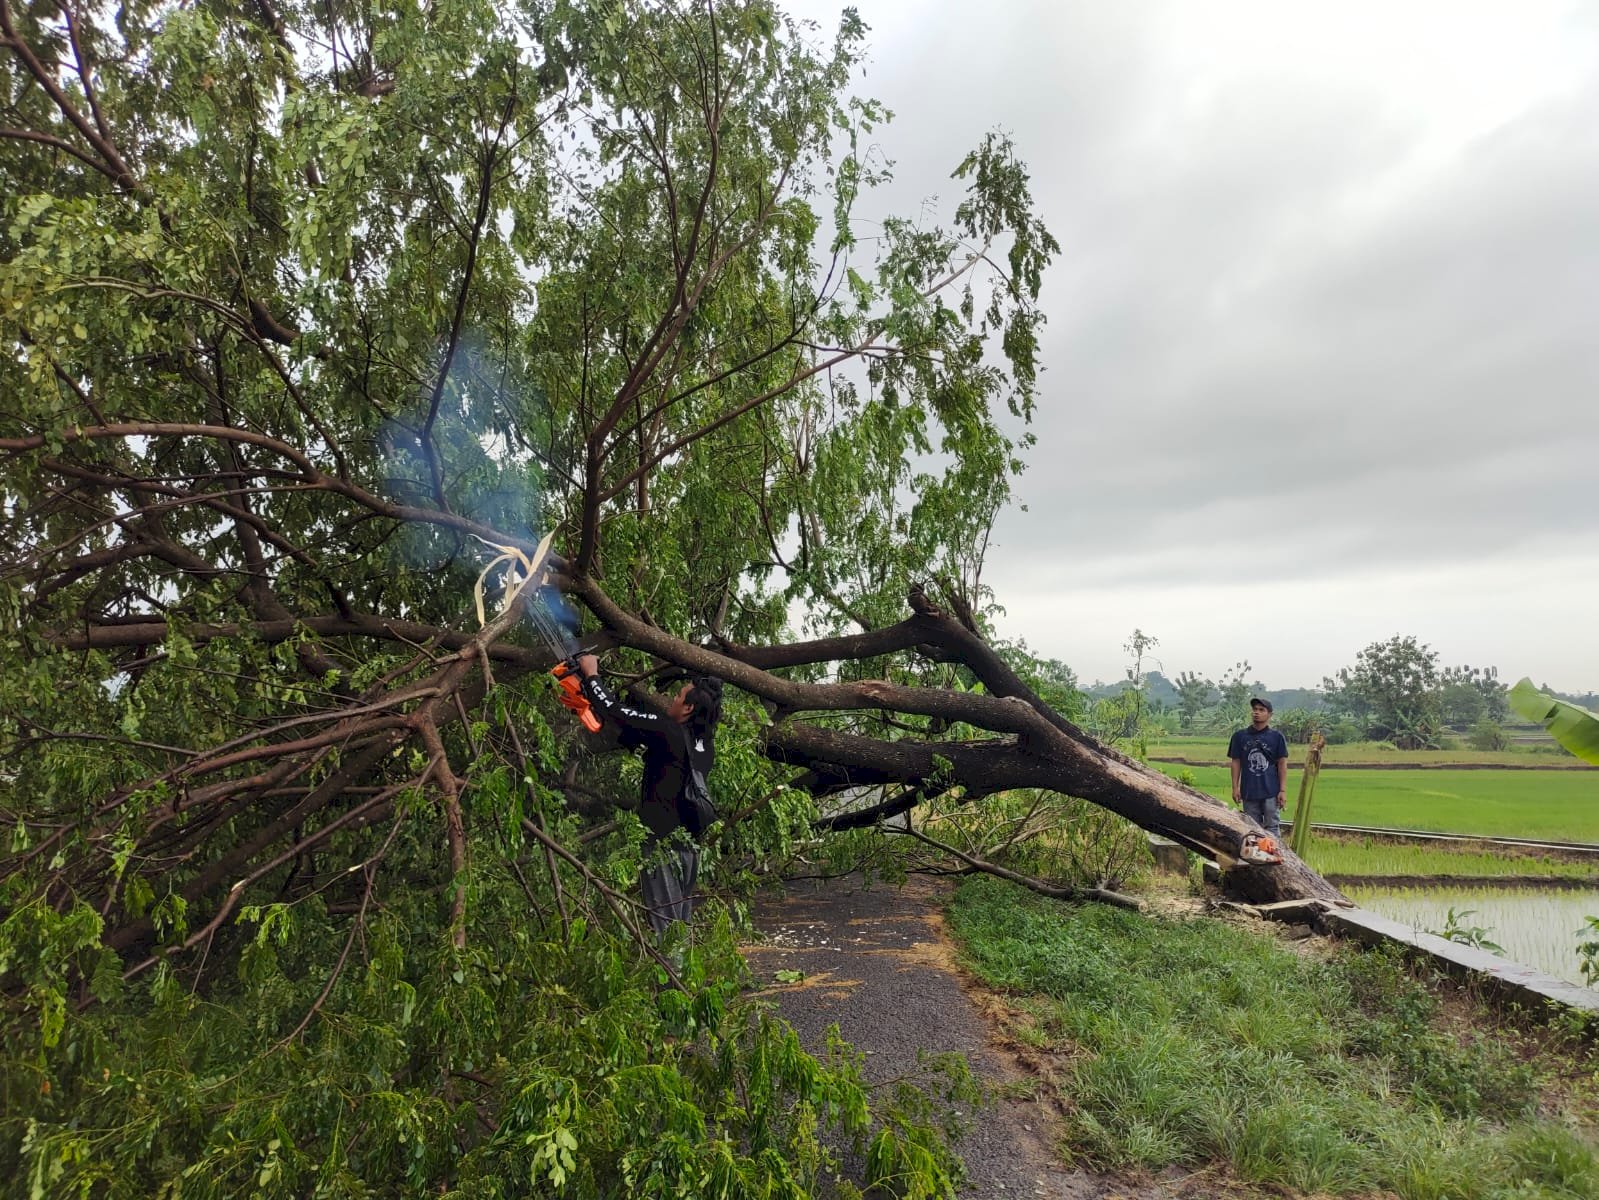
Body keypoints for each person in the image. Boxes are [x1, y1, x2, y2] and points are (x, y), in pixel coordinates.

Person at [575, 653, 723, 935]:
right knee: (679, 926)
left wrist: (591, 675)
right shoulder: (704, 746)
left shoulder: (668, 731)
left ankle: (670, 979)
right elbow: (640, 740)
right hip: (689, 848)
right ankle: (682, 978)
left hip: (662, 847)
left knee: (665, 929)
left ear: (689, 708)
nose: (673, 701)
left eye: (678, 697)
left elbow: (617, 711)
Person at [1228, 697, 1289, 839]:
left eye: (1261, 710)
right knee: (1252, 829)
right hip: (1249, 792)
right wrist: (1235, 787)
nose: (1257, 712)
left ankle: (1274, 857)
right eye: (1255, 709)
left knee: (1272, 827)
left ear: (1269, 715)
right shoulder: (1239, 737)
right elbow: (1235, 762)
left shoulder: (1276, 737)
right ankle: (1256, 859)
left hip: (1271, 792)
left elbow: (1282, 763)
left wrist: (1282, 790)